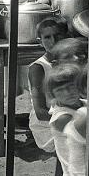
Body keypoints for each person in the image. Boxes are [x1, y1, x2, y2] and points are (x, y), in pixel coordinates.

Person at [28, 17, 70, 154]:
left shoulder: (70, 61)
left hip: (66, 113)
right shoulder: (38, 68)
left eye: (57, 36)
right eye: (47, 37)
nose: (53, 41)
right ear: (40, 41)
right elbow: (40, 112)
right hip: (46, 123)